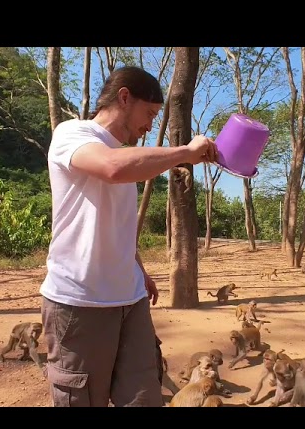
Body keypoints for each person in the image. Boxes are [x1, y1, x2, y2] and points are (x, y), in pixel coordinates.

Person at [39, 65, 219, 407]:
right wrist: (184, 152)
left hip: (131, 301)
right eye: (149, 113)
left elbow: (116, 224)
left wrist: (139, 269)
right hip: (80, 303)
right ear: (124, 97)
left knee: (143, 396)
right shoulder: (73, 133)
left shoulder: (128, 156)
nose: (151, 125)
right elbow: (111, 168)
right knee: (82, 399)